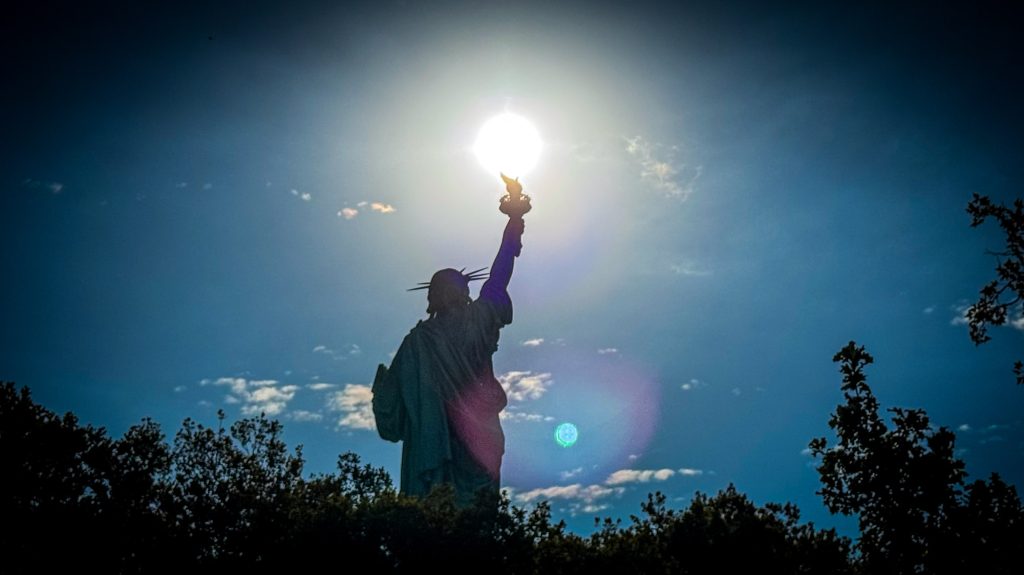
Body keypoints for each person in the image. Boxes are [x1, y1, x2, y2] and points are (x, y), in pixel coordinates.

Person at [371, 176, 530, 504]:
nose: (443, 293)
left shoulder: (476, 321)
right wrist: (383, 390)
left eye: (447, 286)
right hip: (437, 441)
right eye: (439, 288)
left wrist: (514, 221)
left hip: (473, 439)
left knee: (467, 523)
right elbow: (394, 409)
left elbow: (501, 270)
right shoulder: (419, 341)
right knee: (439, 516)